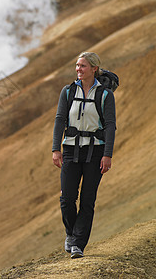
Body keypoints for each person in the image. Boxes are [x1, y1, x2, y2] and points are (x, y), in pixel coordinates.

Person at [51, 52, 116, 259]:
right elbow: (60, 120)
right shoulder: (68, 91)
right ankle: (71, 233)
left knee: (87, 201)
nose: (78, 69)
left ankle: (78, 244)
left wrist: (107, 155)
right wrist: (55, 149)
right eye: (77, 66)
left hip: (95, 151)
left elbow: (110, 126)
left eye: (83, 66)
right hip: (70, 149)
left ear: (94, 68)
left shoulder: (105, 95)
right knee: (67, 199)